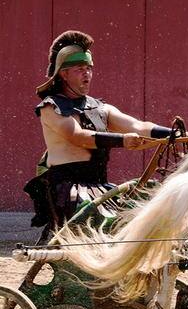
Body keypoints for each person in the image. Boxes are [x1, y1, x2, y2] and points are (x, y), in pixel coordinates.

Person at [24, 30, 177, 240]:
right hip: (69, 191)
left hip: (100, 187)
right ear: (63, 73)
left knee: (140, 213)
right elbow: (77, 135)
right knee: (106, 223)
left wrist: (173, 134)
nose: (86, 73)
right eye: (79, 69)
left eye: (89, 68)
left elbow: (137, 125)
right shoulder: (50, 107)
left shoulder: (101, 107)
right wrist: (123, 141)